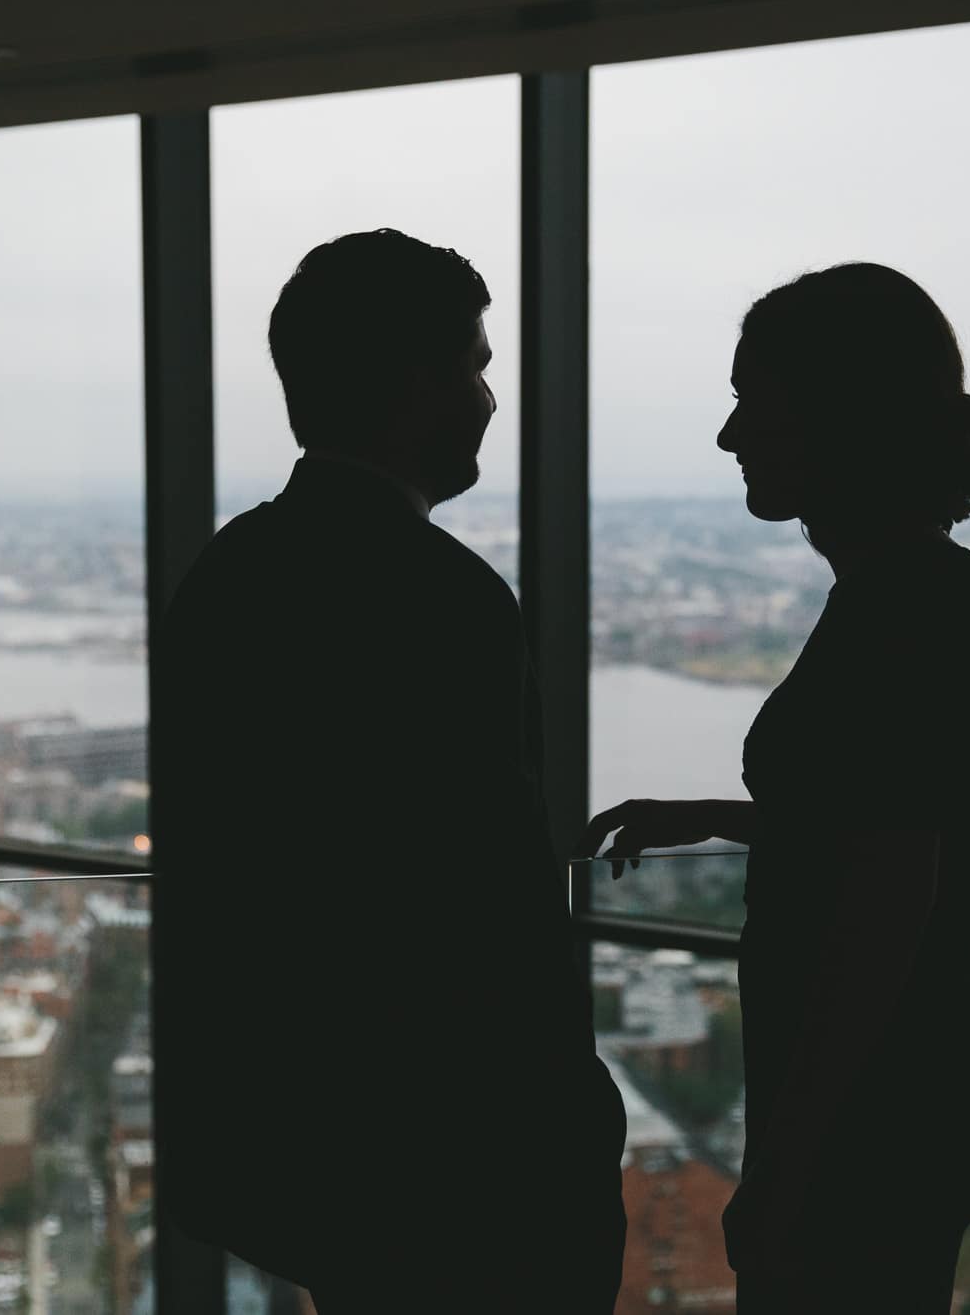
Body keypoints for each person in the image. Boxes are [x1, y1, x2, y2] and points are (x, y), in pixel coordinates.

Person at [155, 229, 626, 1313]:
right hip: (457, 1155)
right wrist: (568, 1115)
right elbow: (487, 896)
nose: (489, 399)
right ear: (413, 386)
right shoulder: (442, 598)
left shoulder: (227, 575)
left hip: (303, 1140)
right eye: (474, 364)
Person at [578, 263, 970, 1313]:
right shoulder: (912, 589)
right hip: (901, 1086)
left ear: (840, 421)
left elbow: (886, 897)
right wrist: (721, 819)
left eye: (752, 405)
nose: (730, 437)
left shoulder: (899, 607)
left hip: (875, 1106)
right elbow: (887, 820)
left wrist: (783, 1161)